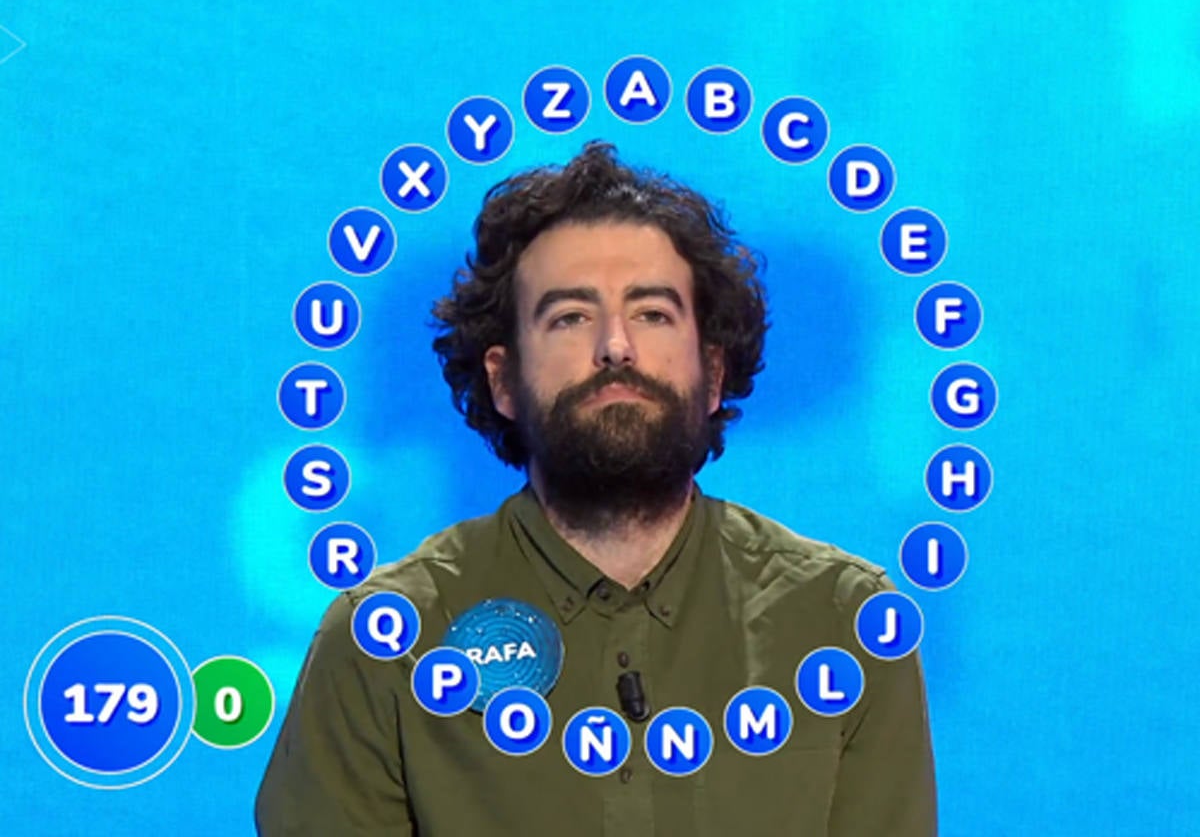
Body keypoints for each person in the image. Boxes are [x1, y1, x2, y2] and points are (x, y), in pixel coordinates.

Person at [255, 142, 937, 836]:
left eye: (652, 313)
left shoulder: (842, 622)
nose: (615, 345)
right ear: (503, 381)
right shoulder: (387, 641)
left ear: (713, 374)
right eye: (570, 317)